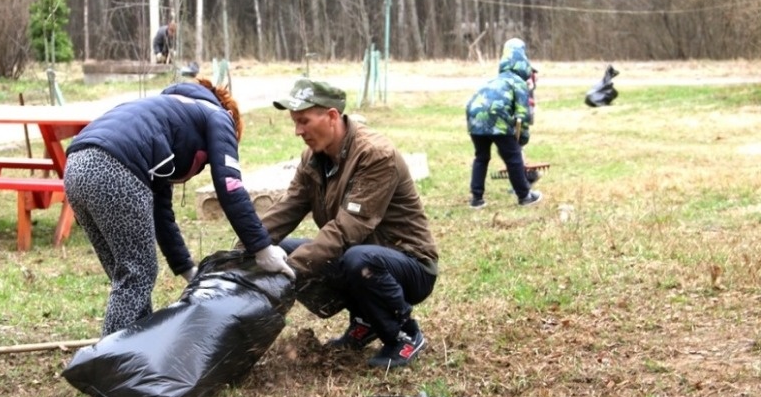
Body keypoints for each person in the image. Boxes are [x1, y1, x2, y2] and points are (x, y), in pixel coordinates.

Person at [64, 78, 295, 336]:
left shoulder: (169, 116)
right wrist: (262, 248)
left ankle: (136, 349)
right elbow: (230, 187)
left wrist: (188, 269)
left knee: (127, 276)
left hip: (76, 165)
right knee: (137, 273)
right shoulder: (219, 117)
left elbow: (160, 210)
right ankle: (110, 363)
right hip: (114, 168)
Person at [260, 79, 439, 369]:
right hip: (360, 254)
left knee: (355, 258)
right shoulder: (313, 158)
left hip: (408, 263)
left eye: (304, 121)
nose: (298, 131)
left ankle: (404, 334)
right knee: (279, 249)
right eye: (295, 122)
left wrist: (290, 271)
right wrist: (251, 247)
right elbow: (288, 207)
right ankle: (365, 320)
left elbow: (347, 230)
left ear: (331, 116)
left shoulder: (375, 155)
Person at [466, 37, 542, 208]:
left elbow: (473, 102)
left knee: (481, 157)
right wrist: (521, 141)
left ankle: (476, 199)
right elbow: (522, 115)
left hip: (474, 118)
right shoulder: (519, 83)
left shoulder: (495, 80)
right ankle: (525, 196)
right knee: (513, 157)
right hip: (497, 118)